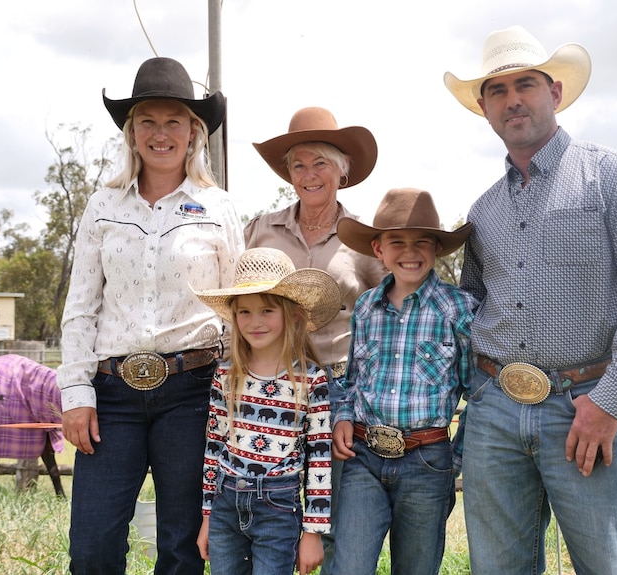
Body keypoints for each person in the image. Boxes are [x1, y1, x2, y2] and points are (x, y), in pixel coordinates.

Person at [443, 26, 617, 574]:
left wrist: (610, 401)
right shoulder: (483, 211)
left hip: (583, 406)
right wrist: (475, 396)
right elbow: (472, 305)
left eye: (524, 85)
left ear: (554, 92)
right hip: (495, 410)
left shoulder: (614, 178)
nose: (513, 100)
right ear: (483, 108)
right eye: (497, 91)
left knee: (609, 564)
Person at [57, 56, 244, 575]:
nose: (161, 133)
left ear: (193, 133)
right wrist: (75, 395)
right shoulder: (102, 206)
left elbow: (236, 309)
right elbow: (81, 308)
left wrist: (233, 394)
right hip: (111, 393)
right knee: (92, 546)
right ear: (132, 133)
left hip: (193, 390)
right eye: (148, 122)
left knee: (182, 546)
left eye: (174, 122)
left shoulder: (219, 207)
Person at [245, 106, 388, 574]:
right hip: (272, 390)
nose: (309, 174)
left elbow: (386, 312)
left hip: (340, 389)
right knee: (271, 513)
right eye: (299, 164)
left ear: (342, 172)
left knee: (332, 522)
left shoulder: (364, 239)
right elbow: (238, 306)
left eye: (320, 163)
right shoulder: (260, 231)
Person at [330, 188, 478, 575]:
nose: (409, 252)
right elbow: (353, 377)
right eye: (397, 241)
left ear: (437, 249)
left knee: (415, 567)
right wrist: (343, 415)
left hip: (426, 461)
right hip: (364, 454)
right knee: (350, 566)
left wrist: (454, 457)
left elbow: (476, 389)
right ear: (378, 249)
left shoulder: (458, 309)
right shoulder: (366, 307)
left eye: (421, 242)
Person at [192, 247, 342, 575]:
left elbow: (319, 456)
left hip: (278, 505)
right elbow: (214, 446)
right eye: (244, 312)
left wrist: (313, 532)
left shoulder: (310, 378)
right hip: (225, 502)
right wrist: (207, 516)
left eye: (267, 310)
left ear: (292, 315)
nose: (254, 321)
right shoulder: (227, 373)